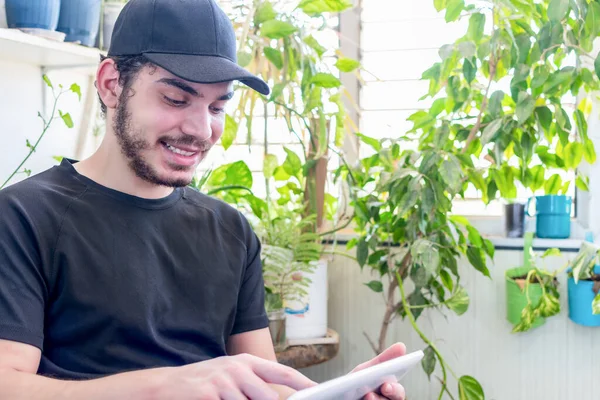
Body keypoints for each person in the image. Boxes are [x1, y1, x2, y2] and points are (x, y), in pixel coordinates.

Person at [0, 0, 408, 399]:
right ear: (111, 84)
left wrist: (335, 395)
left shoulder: (230, 230)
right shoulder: (24, 216)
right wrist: (163, 385)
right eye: (176, 99)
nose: (201, 129)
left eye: (217, 106)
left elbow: (269, 388)